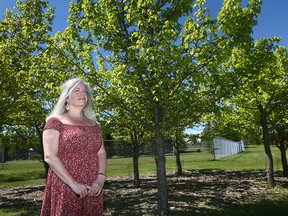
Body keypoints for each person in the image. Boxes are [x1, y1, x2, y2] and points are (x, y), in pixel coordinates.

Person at [40, 78, 107, 216]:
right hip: (66, 184)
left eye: (85, 91)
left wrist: (100, 180)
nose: (82, 94)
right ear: (66, 98)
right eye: (77, 90)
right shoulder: (55, 122)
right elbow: (49, 156)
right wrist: (73, 184)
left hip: (92, 186)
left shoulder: (94, 125)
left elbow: (101, 153)